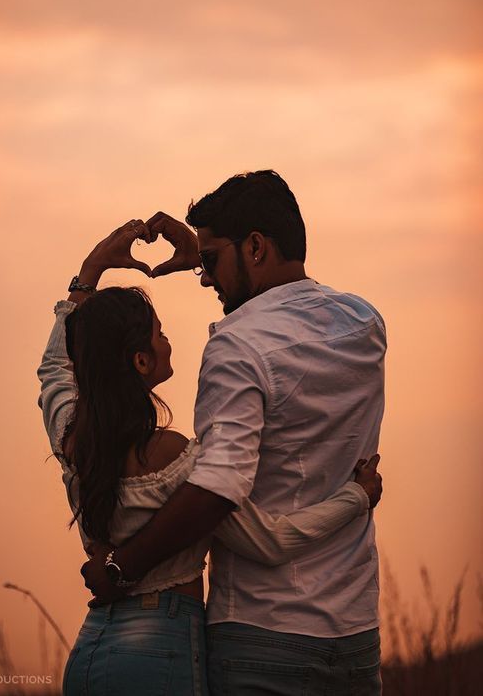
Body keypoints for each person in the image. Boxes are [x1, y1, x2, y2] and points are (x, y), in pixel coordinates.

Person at [38, 215, 383, 696]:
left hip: (93, 649)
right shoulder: (175, 460)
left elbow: (56, 367)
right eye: (158, 333)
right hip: (162, 647)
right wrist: (356, 496)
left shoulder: (72, 438)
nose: (167, 338)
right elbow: (271, 541)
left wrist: (89, 273)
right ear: (140, 361)